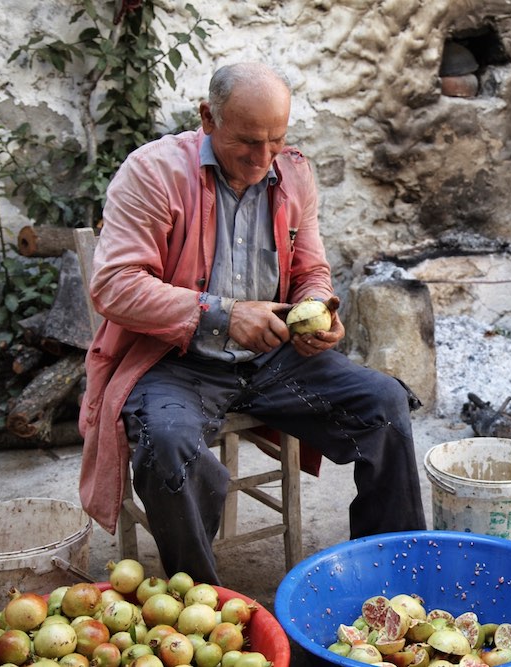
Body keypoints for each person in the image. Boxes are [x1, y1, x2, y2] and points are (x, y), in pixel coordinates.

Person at [77, 61, 427, 585]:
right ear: (207, 118)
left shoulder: (293, 173)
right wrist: (222, 315)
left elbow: (311, 271)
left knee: (384, 403)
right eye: (246, 142)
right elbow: (114, 285)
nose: (263, 160)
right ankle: (197, 605)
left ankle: (394, 580)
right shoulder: (153, 173)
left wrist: (320, 311)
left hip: (273, 356)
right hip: (174, 360)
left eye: (276, 141)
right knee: (169, 444)